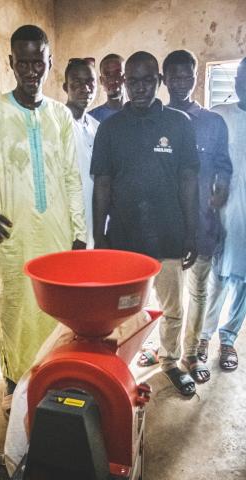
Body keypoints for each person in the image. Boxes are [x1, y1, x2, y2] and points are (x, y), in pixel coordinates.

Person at [0, 25, 86, 408]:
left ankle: (56, 372)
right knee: (14, 307)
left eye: (38, 63)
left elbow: (70, 176)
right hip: (14, 235)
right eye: (23, 63)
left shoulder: (61, 116)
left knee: (58, 308)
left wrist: (79, 234)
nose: (31, 72)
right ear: (11, 63)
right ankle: (14, 381)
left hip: (59, 233)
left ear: (50, 63)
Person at [91, 51, 200, 396]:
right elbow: (103, 185)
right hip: (124, 239)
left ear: (159, 81)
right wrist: (100, 237)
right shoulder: (110, 128)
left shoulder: (179, 123)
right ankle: (120, 366)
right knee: (123, 313)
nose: (140, 88)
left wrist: (192, 231)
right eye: (133, 81)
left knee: (172, 308)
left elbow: (188, 181)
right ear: (124, 82)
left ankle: (170, 361)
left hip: (169, 234)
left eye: (148, 80)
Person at [137, 50, 232, 383]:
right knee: (169, 300)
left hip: (203, 225)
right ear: (163, 79)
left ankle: (191, 353)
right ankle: (169, 357)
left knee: (199, 293)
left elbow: (223, 165)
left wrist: (220, 190)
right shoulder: (153, 121)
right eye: (173, 76)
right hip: (166, 230)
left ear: (195, 77)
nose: (181, 83)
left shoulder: (213, 122)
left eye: (187, 76)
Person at [198, 57, 246, 371]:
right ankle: (203, 336)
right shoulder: (219, 117)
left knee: (243, 283)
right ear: (235, 80)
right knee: (213, 277)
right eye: (242, 75)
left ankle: (228, 339)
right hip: (220, 212)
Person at [63, 57, 99, 248]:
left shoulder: (96, 127)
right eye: (76, 83)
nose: (85, 89)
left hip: (92, 223)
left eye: (89, 82)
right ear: (65, 87)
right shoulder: (57, 124)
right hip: (66, 226)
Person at [89, 54, 126, 122]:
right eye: (107, 75)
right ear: (101, 80)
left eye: (117, 73)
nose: (112, 80)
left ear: (126, 77)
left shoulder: (140, 114)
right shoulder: (92, 118)